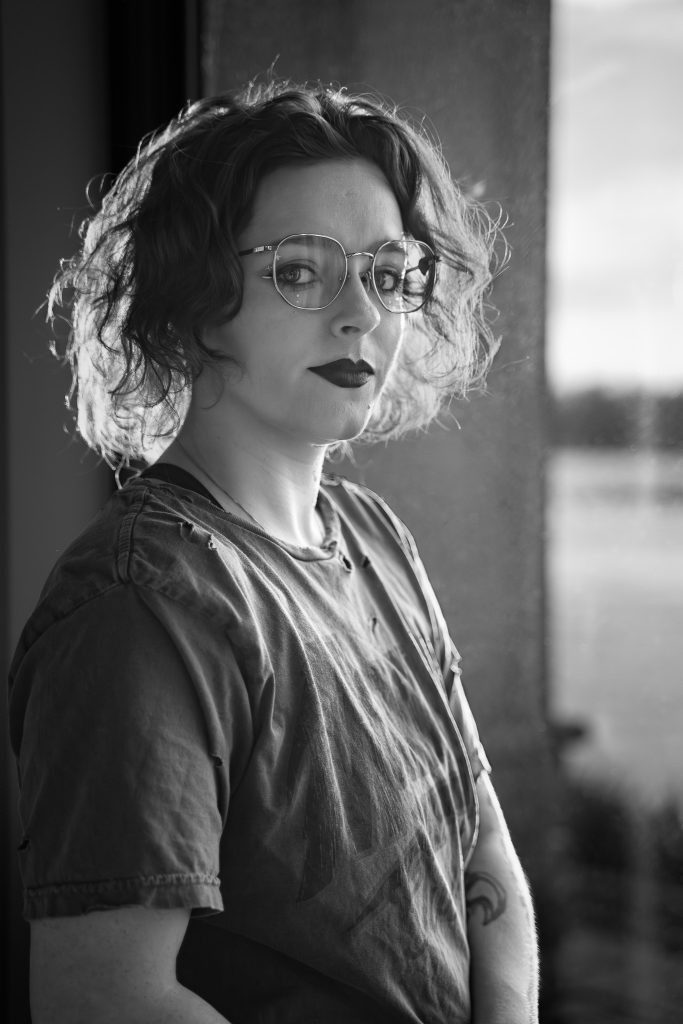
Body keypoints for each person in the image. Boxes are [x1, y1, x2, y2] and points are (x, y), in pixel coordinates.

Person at [8, 79, 539, 1024]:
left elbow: (484, 858)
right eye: (300, 270)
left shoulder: (374, 539)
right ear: (191, 292)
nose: (361, 315)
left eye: (388, 272)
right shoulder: (144, 600)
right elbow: (106, 996)